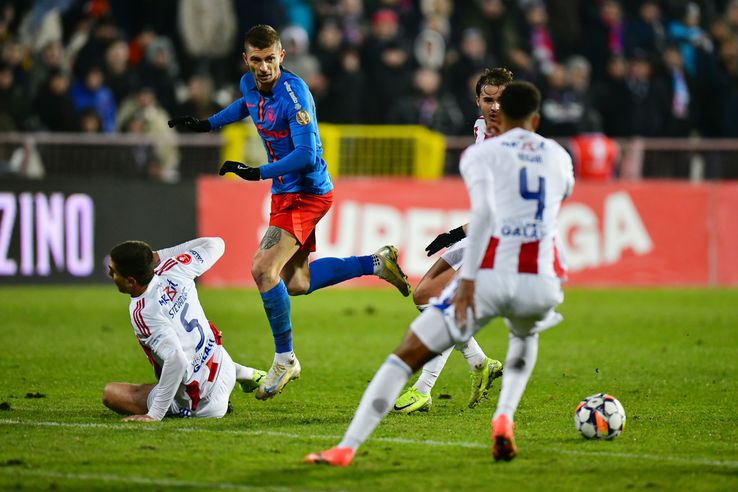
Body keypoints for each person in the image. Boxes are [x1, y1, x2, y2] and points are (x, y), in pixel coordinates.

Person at [305, 81, 574, 466]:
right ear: (535, 118)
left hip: (494, 269)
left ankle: (347, 446)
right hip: (544, 279)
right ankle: (502, 415)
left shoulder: (479, 156)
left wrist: (466, 282)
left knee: (404, 356)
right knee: (524, 333)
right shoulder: (559, 157)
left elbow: (485, 218)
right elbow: (554, 201)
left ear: (505, 112)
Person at [168, 24, 411, 401]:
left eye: (270, 59)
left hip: (308, 192)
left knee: (263, 269)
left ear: (281, 56)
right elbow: (246, 104)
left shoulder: (295, 96)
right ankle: (376, 263)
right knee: (296, 283)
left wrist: (256, 172)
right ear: (246, 60)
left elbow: (307, 155)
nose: (263, 68)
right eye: (256, 60)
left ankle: (285, 359)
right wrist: (208, 124)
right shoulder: (250, 84)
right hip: (285, 192)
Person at [392, 68, 512, 415]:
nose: (495, 106)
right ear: (478, 101)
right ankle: (480, 363)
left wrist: (459, 232)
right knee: (423, 296)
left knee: (442, 303)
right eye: (489, 99)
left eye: (502, 99)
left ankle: (423, 389)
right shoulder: (481, 129)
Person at [102, 237, 266, 421]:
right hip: (223, 366)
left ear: (131, 281)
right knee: (191, 351)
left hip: (204, 403)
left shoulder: (144, 312)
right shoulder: (174, 268)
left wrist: (153, 415)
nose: (110, 275)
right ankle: (245, 373)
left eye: (113, 272)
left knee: (111, 394)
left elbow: (176, 361)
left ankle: (184, 408)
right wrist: (160, 255)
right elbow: (216, 244)